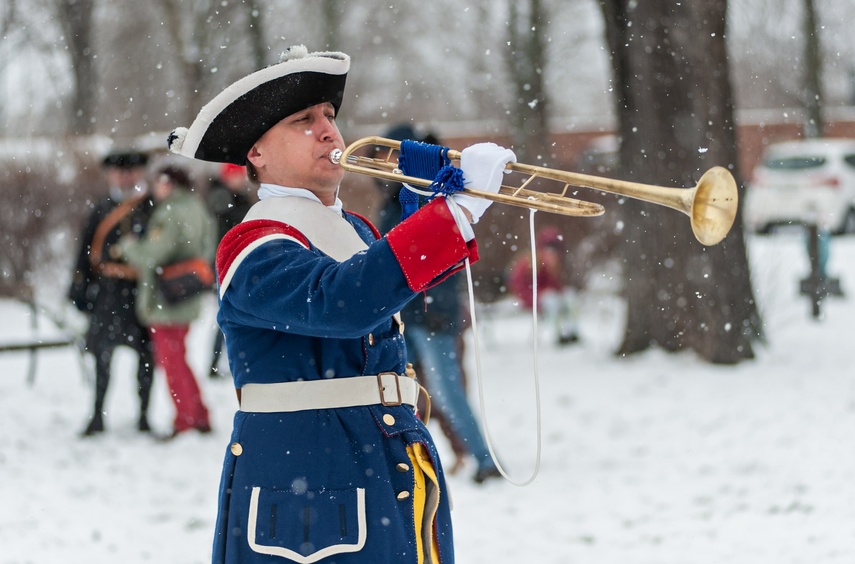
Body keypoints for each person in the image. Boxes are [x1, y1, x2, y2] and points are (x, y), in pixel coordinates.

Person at [166, 44, 515, 563]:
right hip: (309, 472)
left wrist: (439, 210)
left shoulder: (354, 227)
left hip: (377, 457)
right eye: (303, 120)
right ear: (256, 154)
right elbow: (343, 301)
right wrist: (454, 217)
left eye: (329, 115)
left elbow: (380, 289)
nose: (330, 130)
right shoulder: (251, 243)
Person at [377, 124, 500, 484]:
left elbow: (443, 259)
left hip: (431, 314)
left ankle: (484, 459)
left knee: (447, 395)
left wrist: (439, 309)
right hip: (407, 314)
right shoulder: (397, 196)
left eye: (395, 157)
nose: (389, 164)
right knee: (407, 399)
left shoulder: (429, 194)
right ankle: (415, 466)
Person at [117, 164, 217, 439]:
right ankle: (199, 415)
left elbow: (153, 253)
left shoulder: (170, 211)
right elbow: (209, 247)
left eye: (158, 184)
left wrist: (128, 247)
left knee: (172, 362)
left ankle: (185, 420)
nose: (154, 190)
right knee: (180, 359)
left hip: (166, 298)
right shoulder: (198, 207)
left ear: (169, 184)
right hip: (188, 292)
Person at [68, 149, 156, 437]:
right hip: (107, 293)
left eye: (130, 170)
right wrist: (79, 287)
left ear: (140, 172)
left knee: (146, 358)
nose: (124, 176)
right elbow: (85, 250)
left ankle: (143, 416)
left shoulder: (151, 206)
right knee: (102, 357)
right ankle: (97, 415)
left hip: (140, 292)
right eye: (119, 171)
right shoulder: (102, 207)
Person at [205, 162, 253, 377]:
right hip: (225, 264)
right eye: (236, 176)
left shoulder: (236, 198)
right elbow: (223, 230)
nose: (241, 180)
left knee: (232, 315)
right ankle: (216, 363)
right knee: (228, 316)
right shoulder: (221, 198)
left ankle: (222, 363)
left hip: (235, 263)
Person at [508, 226, 581, 345]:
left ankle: (573, 332)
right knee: (551, 301)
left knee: (570, 297)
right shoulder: (527, 262)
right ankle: (559, 335)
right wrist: (535, 298)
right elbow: (518, 286)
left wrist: (558, 288)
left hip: (548, 297)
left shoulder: (553, 264)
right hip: (533, 299)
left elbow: (554, 286)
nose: (551, 252)